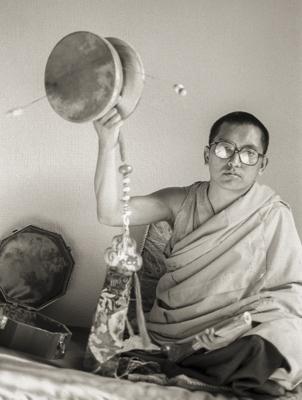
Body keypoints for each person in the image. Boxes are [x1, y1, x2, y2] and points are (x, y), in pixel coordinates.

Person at [93, 109, 302, 396]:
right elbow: (110, 213)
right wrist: (107, 143)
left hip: (233, 331)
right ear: (208, 154)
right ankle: (202, 367)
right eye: (225, 148)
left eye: (248, 153)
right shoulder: (179, 202)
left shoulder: (272, 214)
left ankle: (199, 368)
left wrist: (245, 322)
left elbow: (290, 289)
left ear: (262, 164)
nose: (234, 161)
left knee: (289, 336)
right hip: (175, 333)